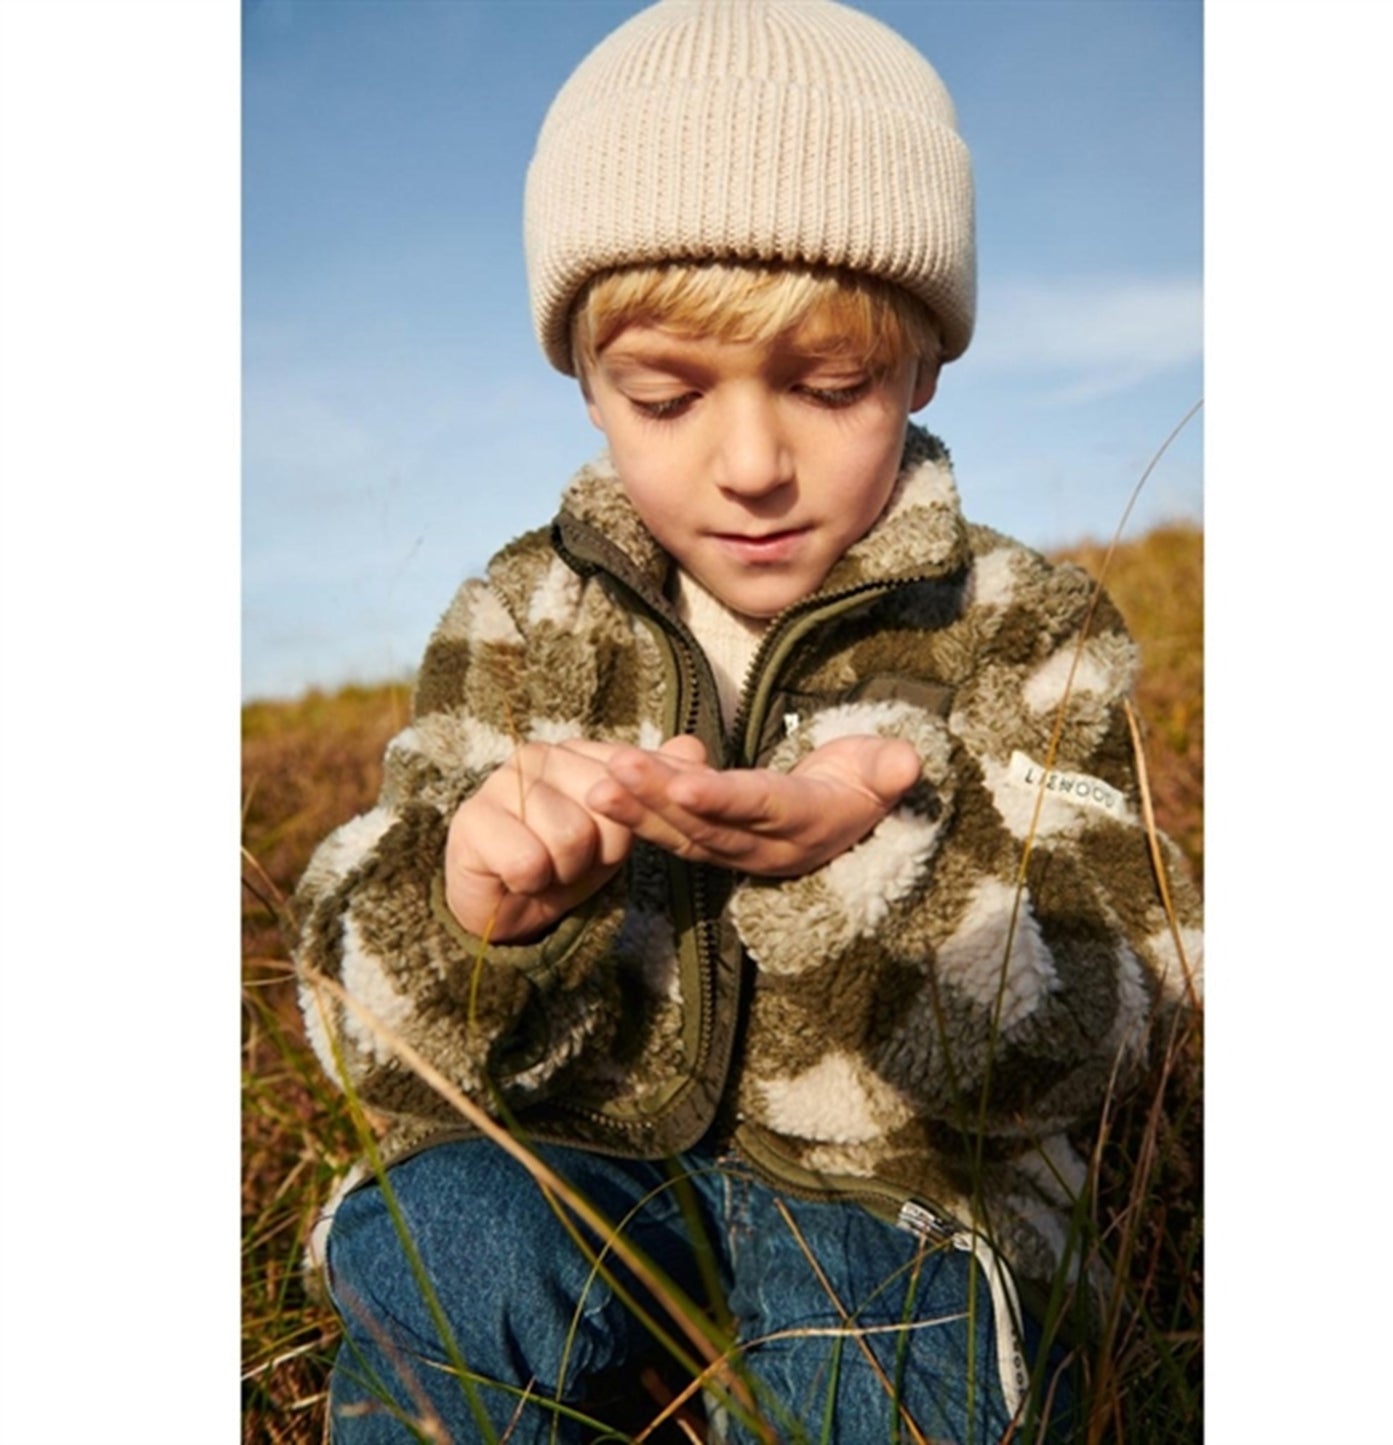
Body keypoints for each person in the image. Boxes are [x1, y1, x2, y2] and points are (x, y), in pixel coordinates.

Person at [293, 2, 1203, 1441]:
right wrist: (465, 912)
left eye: (828, 385)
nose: (752, 465)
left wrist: (865, 866)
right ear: (588, 385)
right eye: (665, 394)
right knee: (453, 1238)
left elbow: (1131, 1002)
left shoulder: (1026, 622)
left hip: (902, 1205)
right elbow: (355, 1022)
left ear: (918, 367)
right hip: (576, 1162)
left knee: (899, 1363)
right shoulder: (520, 617)